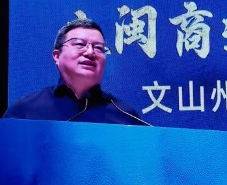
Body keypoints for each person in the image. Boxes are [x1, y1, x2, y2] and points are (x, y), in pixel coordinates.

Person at [2, 18, 150, 125]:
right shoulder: (25, 110)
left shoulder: (124, 115)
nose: (90, 52)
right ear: (57, 56)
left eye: (99, 48)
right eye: (80, 44)